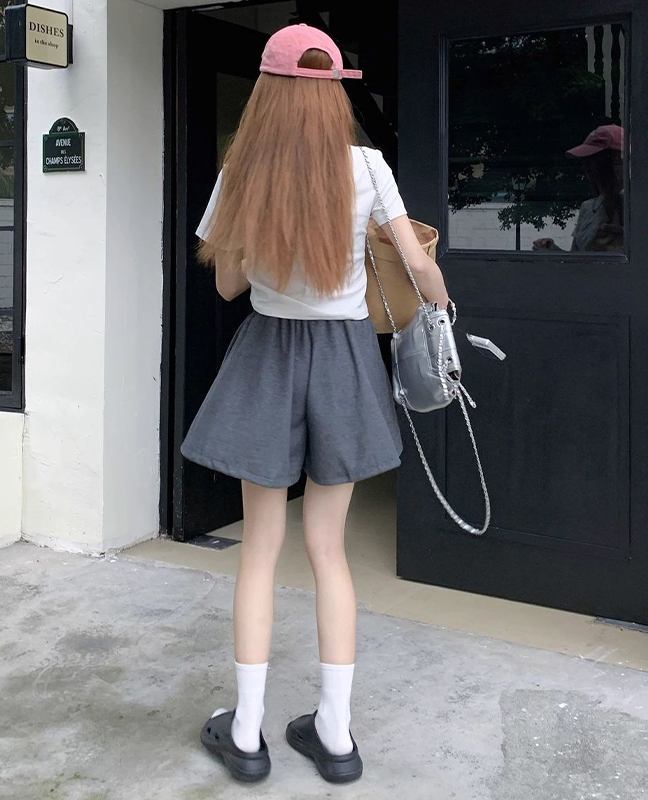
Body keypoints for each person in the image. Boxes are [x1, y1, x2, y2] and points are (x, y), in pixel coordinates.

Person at [180, 24, 450, 785]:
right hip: (343, 358)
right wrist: (440, 313)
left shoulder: (240, 172)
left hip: (267, 355)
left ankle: (246, 733)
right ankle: (334, 734)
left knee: (260, 549)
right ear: (334, 94)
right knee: (329, 549)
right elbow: (419, 267)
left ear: (266, 93)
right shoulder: (367, 166)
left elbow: (228, 287)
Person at [533, 124, 624, 253]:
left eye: (595, 158)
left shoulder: (635, 203)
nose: (587, 165)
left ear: (617, 160)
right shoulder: (588, 208)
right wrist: (554, 251)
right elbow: (576, 257)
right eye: (585, 159)